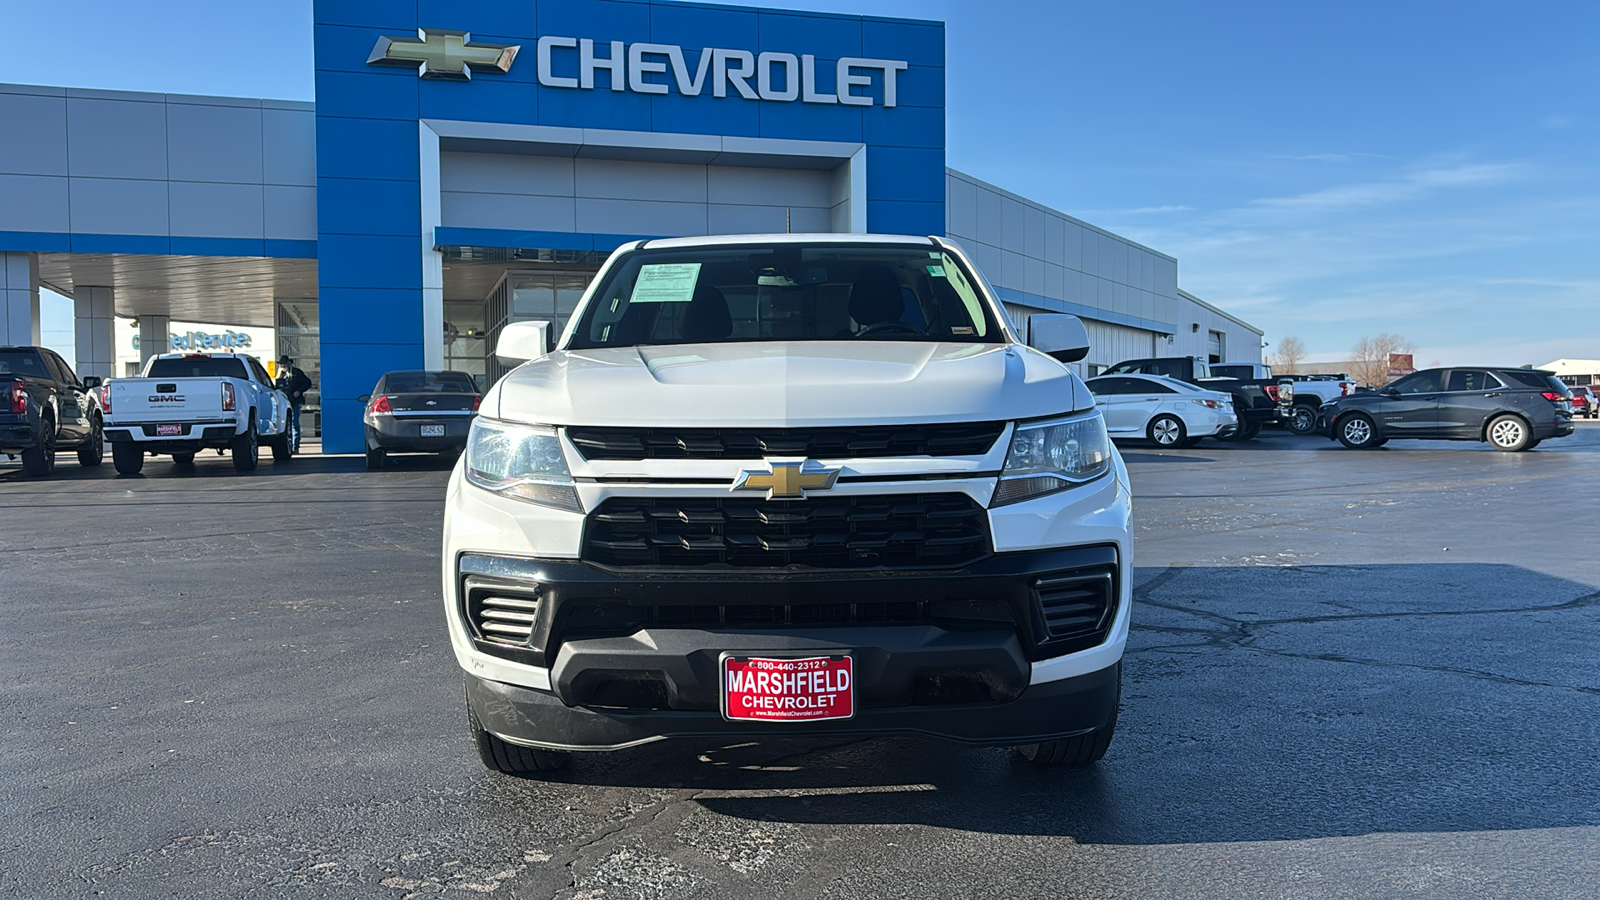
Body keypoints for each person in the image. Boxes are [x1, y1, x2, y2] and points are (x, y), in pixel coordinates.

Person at [275, 355, 313, 453]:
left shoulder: (297, 373)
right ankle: (287, 445)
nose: (283, 365)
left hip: (295, 401)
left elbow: (307, 383)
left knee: (294, 422)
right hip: (283, 402)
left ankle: (295, 446)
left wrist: (299, 391)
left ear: (289, 363)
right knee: (284, 423)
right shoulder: (279, 376)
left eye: (284, 363)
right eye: (281, 363)